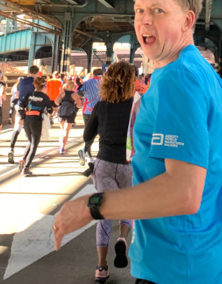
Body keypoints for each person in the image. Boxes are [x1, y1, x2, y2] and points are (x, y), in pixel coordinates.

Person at [53, 0, 222, 284]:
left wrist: (92, 206)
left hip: (177, 266)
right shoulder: (202, 71)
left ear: (188, 21)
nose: (143, 21)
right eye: (139, 10)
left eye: (158, 11)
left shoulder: (177, 79)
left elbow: (183, 192)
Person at [82, 61, 136, 282]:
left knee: (103, 213)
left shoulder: (101, 105)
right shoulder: (136, 105)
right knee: (127, 208)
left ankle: (101, 267)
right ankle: (122, 238)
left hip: (104, 163)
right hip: (128, 164)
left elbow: (87, 135)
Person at [17, 76, 53, 176]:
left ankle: (23, 159)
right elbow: (50, 110)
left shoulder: (29, 94)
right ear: (44, 86)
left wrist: (23, 115)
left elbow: (20, 106)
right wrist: (48, 111)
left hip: (27, 119)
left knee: (30, 141)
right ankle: (26, 167)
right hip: (36, 120)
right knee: (34, 144)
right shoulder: (45, 97)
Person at [8, 65, 41, 164]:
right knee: (32, 136)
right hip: (31, 109)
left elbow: (17, 95)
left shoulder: (21, 81)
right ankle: (25, 156)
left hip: (20, 107)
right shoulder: (36, 82)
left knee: (17, 129)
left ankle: (11, 148)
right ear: (37, 72)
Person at [78, 68, 103, 167]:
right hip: (100, 111)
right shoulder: (104, 83)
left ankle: (88, 155)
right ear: (102, 75)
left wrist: (84, 96)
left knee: (89, 132)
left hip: (87, 110)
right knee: (100, 133)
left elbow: (79, 92)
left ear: (93, 74)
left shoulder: (86, 83)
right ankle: (87, 152)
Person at [54, 80, 81, 155]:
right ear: (73, 87)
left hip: (61, 112)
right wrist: (75, 106)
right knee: (66, 131)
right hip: (70, 113)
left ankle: (60, 146)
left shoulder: (62, 93)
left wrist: (61, 104)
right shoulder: (74, 94)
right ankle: (62, 148)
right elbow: (79, 105)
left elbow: (56, 101)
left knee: (62, 130)